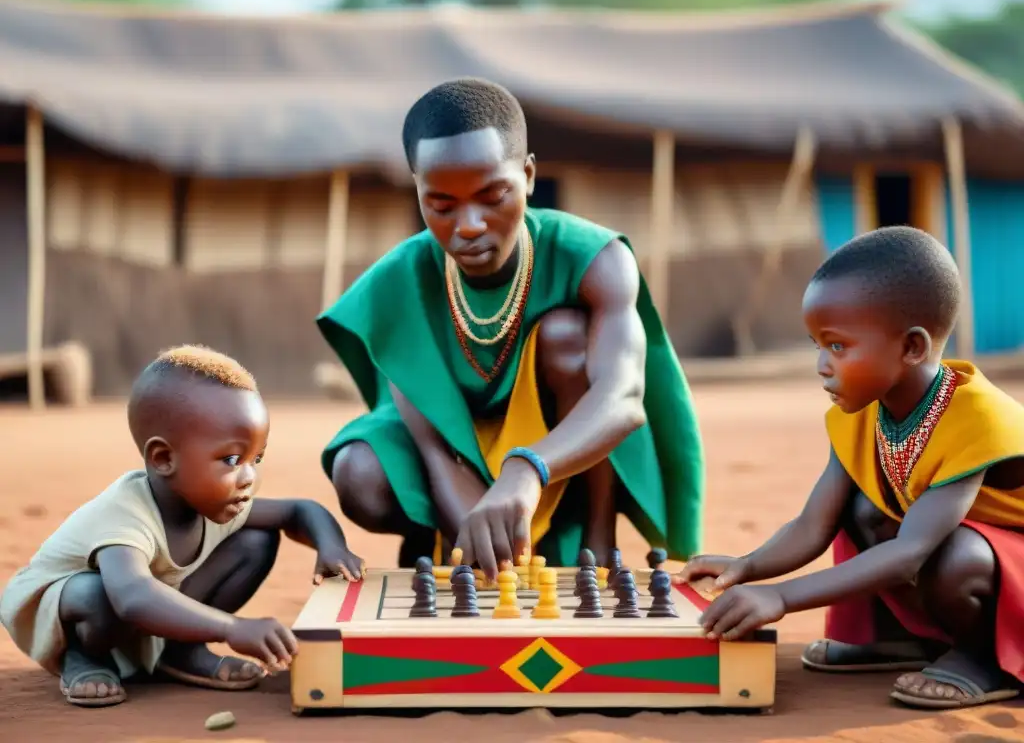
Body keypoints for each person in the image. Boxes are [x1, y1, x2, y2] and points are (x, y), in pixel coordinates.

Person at [317, 77, 705, 579]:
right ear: (418, 192)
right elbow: (434, 449)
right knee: (359, 472)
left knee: (568, 337)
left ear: (527, 174)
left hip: (557, 445)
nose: (471, 224)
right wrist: (480, 551)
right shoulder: (399, 284)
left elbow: (623, 398)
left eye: (492, 195)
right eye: (441, 205)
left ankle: (595, 540)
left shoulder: (594, 257)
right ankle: (446, 541)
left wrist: (527, 468)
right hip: (451, 450)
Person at [676, 226, 1024, 710]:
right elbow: (812, 524)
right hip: (936, 549)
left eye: (837, 346)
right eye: (817, 344)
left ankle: (983, 659)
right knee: (862, 505)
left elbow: (910, 553)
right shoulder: (866, 411)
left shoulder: (978, 417)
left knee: (955, 553)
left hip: (1010, 572)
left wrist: (780, 597)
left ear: (912, 348)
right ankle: (894, 637)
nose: (821, 364)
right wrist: (748, 566)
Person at [1, 345, 364, 707]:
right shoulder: (126, 513)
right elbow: (132, 597)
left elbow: (299, 511)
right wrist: (231, 627)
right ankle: (86, 657)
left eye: (257, 457)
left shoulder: (212, 497)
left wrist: (330, 546)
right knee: (96, 593)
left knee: (256, 541)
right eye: (232, 459)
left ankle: (178, 650)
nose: (249, 477)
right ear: (163, 459)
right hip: (78, 615)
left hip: (144, 608)